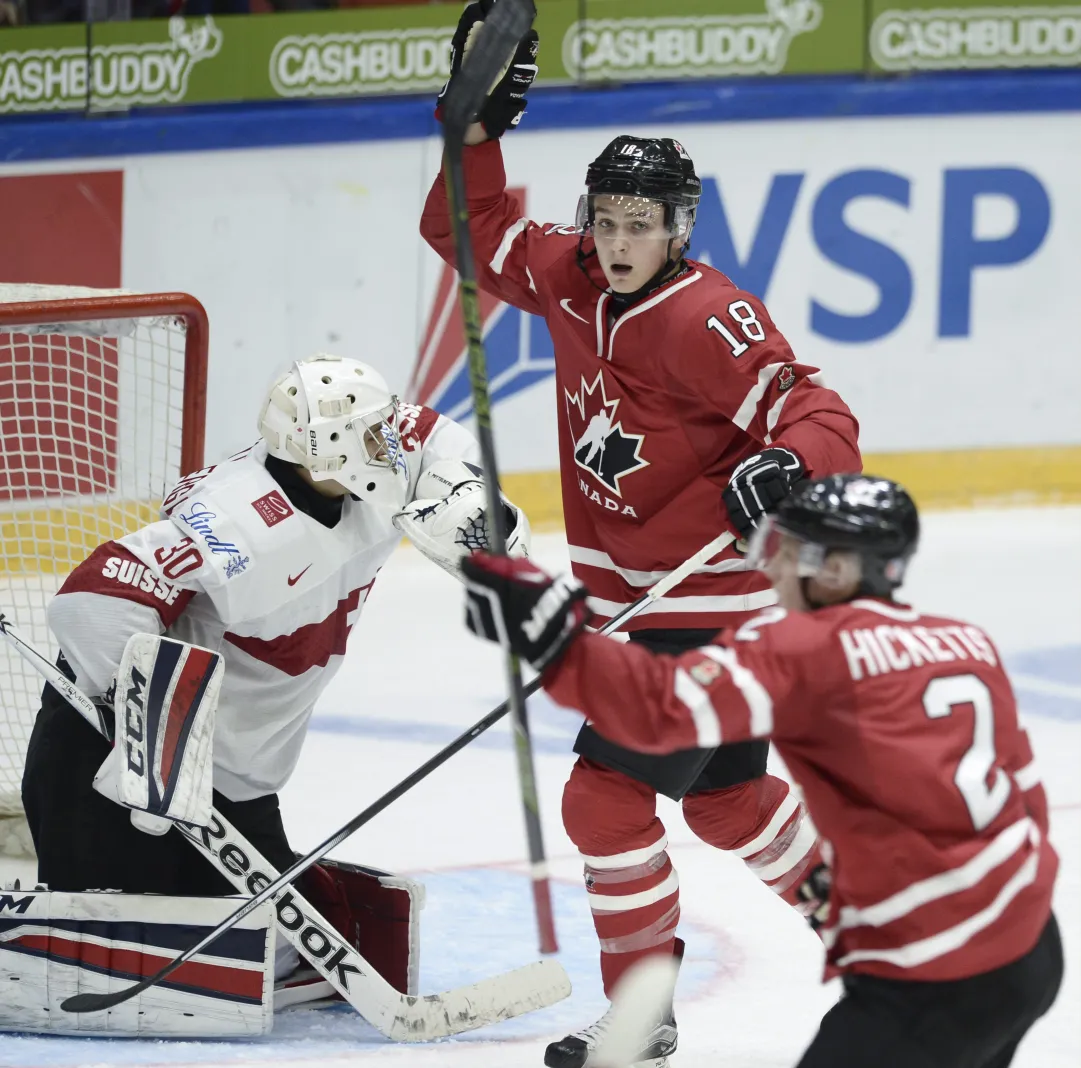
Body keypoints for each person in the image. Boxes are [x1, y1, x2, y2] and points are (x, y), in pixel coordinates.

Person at [421, 3, 862, 1062]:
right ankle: (870, 920)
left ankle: (640, 1020)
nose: (618, 242)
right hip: (627, 606)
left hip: (705, 616)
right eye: (606, 219)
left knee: (602, 801)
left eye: (640, 224)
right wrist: (473, 141)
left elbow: (821, 414)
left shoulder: (713, 317)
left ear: (679, 229)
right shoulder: (572, 276)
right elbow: (463, 235)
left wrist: (785, 462)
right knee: (725, 804)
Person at [461, 474, 1062, 1068]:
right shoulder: (965, 641)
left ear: (838, 570)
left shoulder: (802, 647)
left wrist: (555, 639)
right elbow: (1024, 806)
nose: (770, 568)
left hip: (932, 971)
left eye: (789, 552)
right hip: (1032, 948)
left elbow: (660, 709)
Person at [21, 353, 528, 979]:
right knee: (114, 958)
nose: (391, 443)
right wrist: (155, 746)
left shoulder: (373, 477)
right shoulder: (240, 527)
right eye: (373, 434)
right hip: (112, 768)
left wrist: (473, 499)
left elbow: (429, 432)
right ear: (329, 450)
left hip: (236, 775)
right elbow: (90, 601)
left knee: (278, 954)